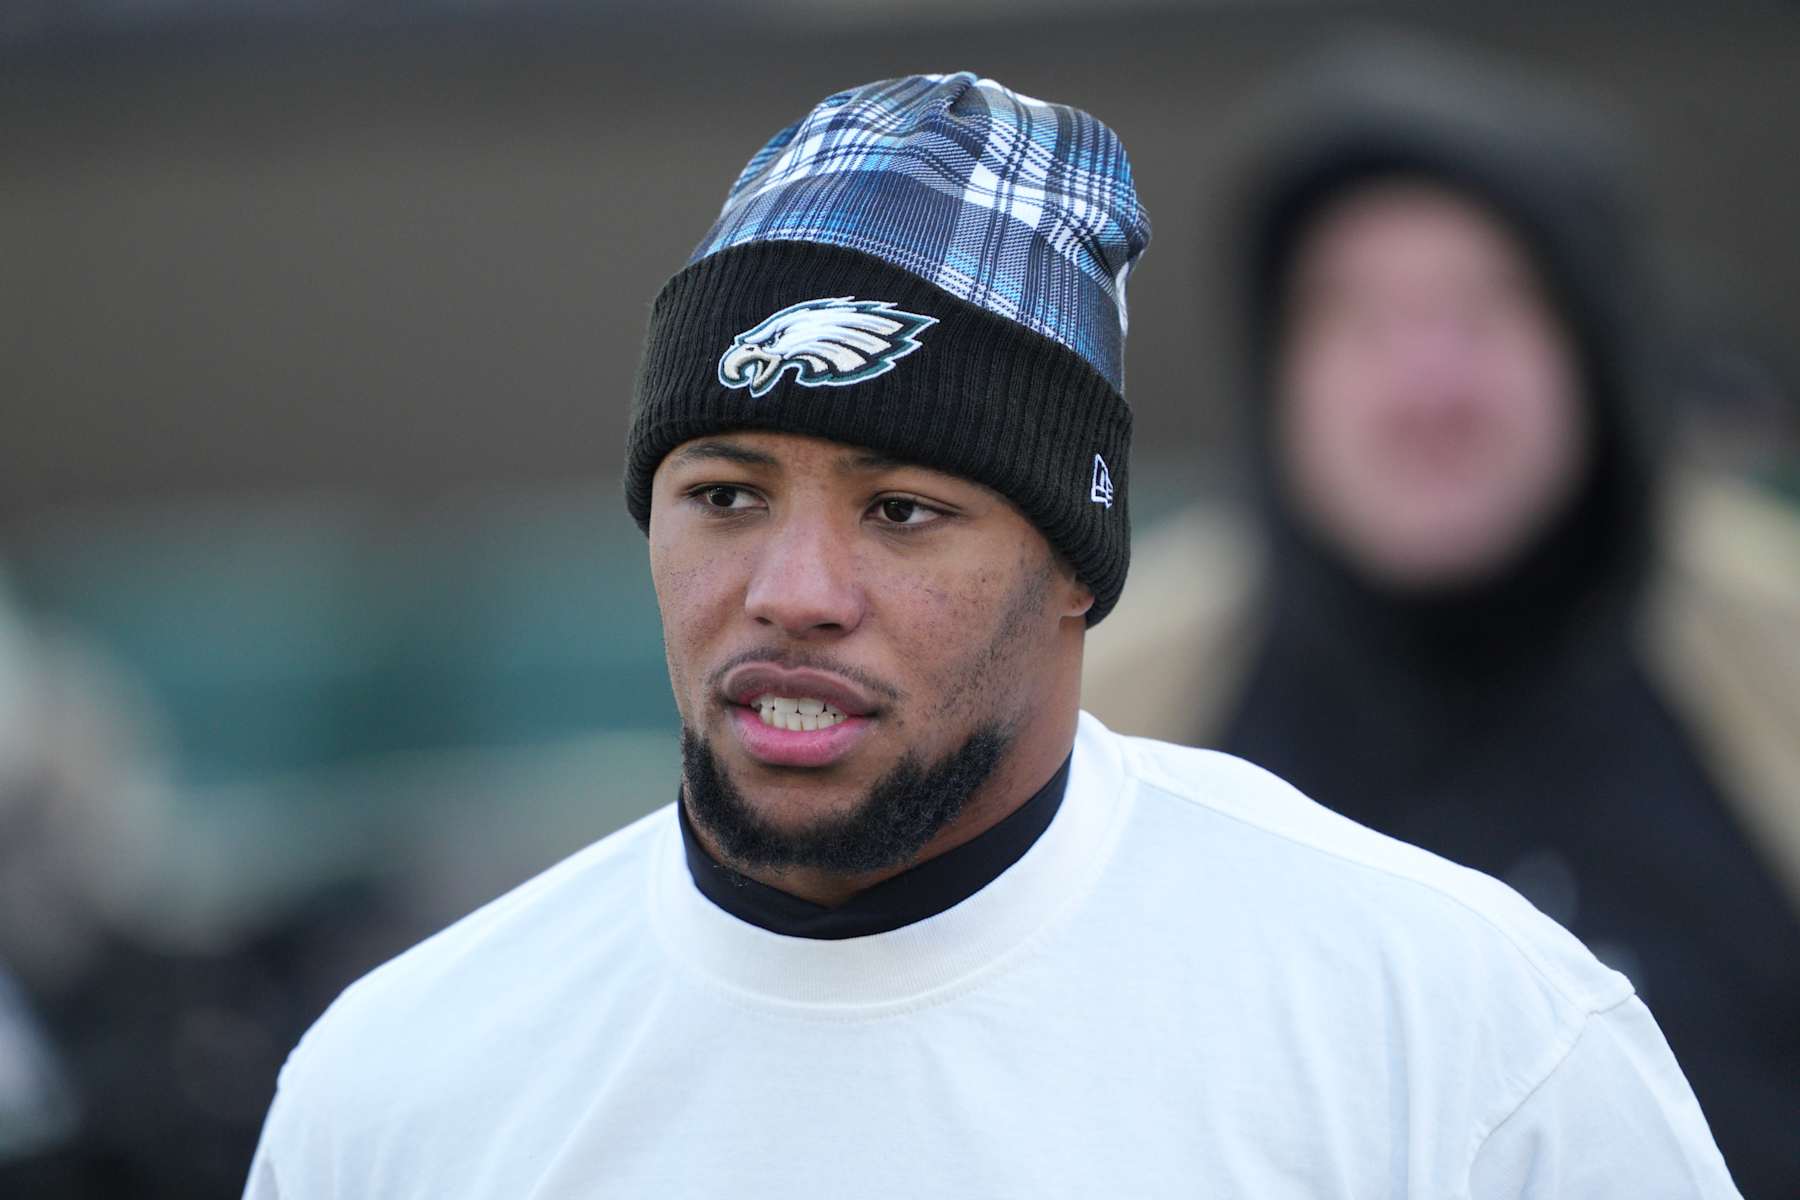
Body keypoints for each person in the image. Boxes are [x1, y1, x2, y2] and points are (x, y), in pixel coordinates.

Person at [245, 72, 1736, 1197]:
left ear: (1078, 567)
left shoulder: (1465, 1032)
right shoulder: (400, 1089)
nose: (793, 588)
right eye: (724, 492)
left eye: (901, 511)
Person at [1086, 40, 1798, 1196]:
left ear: (1596, 351)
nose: (1428, 387)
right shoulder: (1107, 701)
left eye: (1483, 311)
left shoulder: (1771, 654)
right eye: (1359, 322)